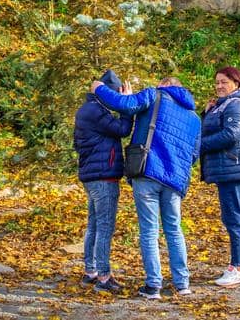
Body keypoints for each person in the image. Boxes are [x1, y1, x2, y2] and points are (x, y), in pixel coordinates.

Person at [91, 76, 202, 300]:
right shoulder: (194, 117)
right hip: (175, 180)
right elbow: (194, 155)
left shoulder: (154, 95)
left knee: (149, 231)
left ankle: (153, 286)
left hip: (148, 172)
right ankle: (182, 284)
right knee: (174, 229)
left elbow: (125, 105)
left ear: (164, 85)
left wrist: (100, 89)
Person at [199, 67, 240, 287]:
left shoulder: (239, 104)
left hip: (233, 166)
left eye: (224, 82)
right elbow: (210, 128)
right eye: (217, 82)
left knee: (233, 218)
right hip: (228, 166)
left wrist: (199, 146)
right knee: (238, 217)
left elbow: (230, 135)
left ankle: (238, 268)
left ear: (237, 83)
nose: (219, 86)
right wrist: (206, 114)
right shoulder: (224, 104)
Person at [73, 70, 132, 294]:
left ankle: (91, 271)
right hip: (103, 176)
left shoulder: (87, 109)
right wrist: (127, 104)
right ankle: (104, 277)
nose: (116, 98)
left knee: (95, 224)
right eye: (115, 93)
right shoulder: (97, 110)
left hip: (92, 174)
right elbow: (123, 129)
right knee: (105, 226)